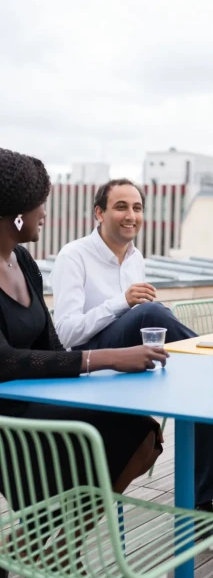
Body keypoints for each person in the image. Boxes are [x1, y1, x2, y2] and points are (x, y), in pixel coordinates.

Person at [0, 148, 172, 571]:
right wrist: (110, 356)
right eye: (39, 202)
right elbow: (5, 361)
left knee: (145, 434)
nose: (45, 210)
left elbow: (53, 347)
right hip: (8, 415)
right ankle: (31, 542)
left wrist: (114, 368)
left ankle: (50, 546)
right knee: (128, 431)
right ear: (15, 212)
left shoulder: (23, 262)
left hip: (40, 397)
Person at [50, 179, 213, 547]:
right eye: (120, 207)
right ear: (99, 213)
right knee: (151, 310)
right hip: (92, 363)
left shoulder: (136, 258)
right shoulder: (74, 256)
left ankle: (202, 504)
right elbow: (66, 334)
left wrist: (139, 312)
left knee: (194, 390)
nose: (130, 215)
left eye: (136, 207)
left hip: (133, 365)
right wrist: (122, 302)